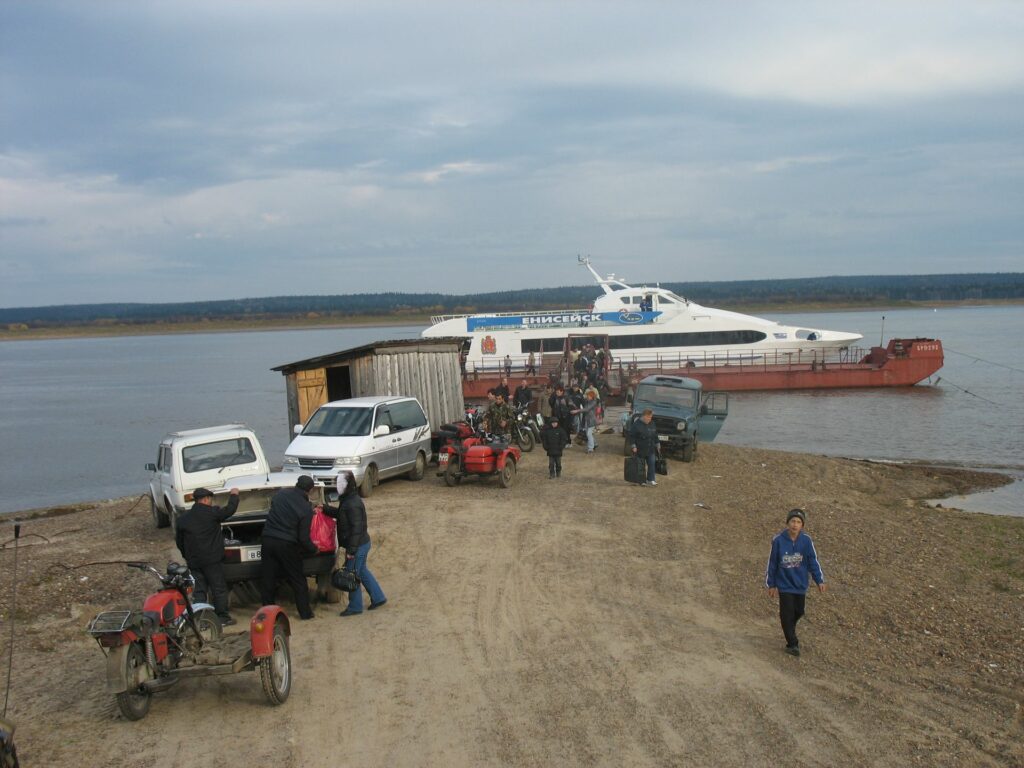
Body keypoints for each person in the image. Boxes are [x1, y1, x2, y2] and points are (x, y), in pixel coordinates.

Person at [765, 509, 827, 657]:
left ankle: (788, 628)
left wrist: (819, 580)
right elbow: (772, 563)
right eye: (793, 521)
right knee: (786, 614)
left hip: (800, 584)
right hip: (784, 584)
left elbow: (813, 561)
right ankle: (792, 644)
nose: (795, 524)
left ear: (802, 525)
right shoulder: (778, 540)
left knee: (799, 611)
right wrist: (771, 584)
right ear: (787, 523)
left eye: (798, 522)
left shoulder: (806, 541)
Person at [175, 486, 239, 626]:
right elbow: (230, 510)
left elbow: (179, 541)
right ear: (205, 499)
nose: (211, 501)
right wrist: (234, 495)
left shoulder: (184, 518)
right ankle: (222, 618)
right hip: (212, 560)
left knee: (199, 590)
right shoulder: (212, 513)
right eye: (210, 499)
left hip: (194, 561)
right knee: (218, 588)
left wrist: (187, 555)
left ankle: (202, 619)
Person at [260, 475, 318, 620]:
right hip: (286, 544)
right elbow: (303, 538)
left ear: (296, 484)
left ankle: (268, 613)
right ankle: (305, 613)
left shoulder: (280, 494)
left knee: (268, 578)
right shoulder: (306, 509)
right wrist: (313, 549)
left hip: (267, 539)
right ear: (310, 490)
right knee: (297, 579)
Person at [331, 471, 387, 616]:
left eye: (340, 483)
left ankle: (355, 607)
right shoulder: (349, 499)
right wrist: (325, 509)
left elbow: (357, 528)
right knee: (361, 571)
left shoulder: (352, 503)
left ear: (347, 485)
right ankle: (378, 597)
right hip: (361, 543)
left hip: (358, 545)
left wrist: (351, 550)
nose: (338, 486)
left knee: (351, 574)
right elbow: (341, 514)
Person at [628, 409, 661, 486]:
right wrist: (633, 446)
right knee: (640, 465)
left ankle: (651, 479)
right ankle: (641, 480)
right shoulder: (636, 425)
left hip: (651, 448)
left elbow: (655, 434)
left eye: (651, 417)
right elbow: (631, 436)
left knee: (652, 464)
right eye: (648, 417)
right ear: (644, 416)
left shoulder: (652, 423)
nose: (650, 419)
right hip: (640, 449)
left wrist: (658, 444)